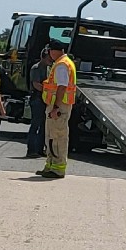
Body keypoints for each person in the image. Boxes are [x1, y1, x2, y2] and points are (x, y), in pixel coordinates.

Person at [39, 39, 76, 179]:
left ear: (53, 51)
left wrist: (56, 107)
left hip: (59, 106)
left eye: (49, 51)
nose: (49, 54)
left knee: (58, 137)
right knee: (51, 136)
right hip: (58, 105)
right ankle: (50, 165)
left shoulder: (61, 65)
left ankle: (58, 168)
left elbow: (62, 86)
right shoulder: (62, 63)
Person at [26, 47, 51, 158]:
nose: (50, 59)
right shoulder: (36, 68)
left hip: (45, 99)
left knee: (44, 126)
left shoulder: (49, 68)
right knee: (35, 125)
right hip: (37, 99)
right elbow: (36, 84)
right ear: (43, 57)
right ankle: (31, 150)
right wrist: (49, 92)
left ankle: (40, 149)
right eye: (48, 57)